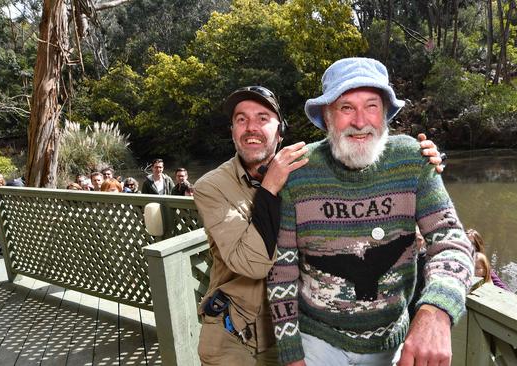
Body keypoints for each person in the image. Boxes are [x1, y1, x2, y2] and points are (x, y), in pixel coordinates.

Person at [192, 85, 445, 366]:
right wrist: (270, 188)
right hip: (235, 336)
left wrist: (418, 161)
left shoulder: (301, 172)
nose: (251, 127)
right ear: (232, 130)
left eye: (263, 118)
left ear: (280, 131)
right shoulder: (211, 187)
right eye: (241, 119)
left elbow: (356, 170)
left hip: (294, 330)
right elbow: (252, 264)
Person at [266, 58, 474, 366]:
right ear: (327, 116)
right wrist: (291, 355)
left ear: (386, 114)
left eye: (372, 106)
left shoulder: (413, 162)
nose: (360, 121)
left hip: (391, 343)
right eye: (346, 108)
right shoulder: (298, 172)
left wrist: (437, 310)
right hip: (317, 341)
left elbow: (452, 241)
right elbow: (281, 272)